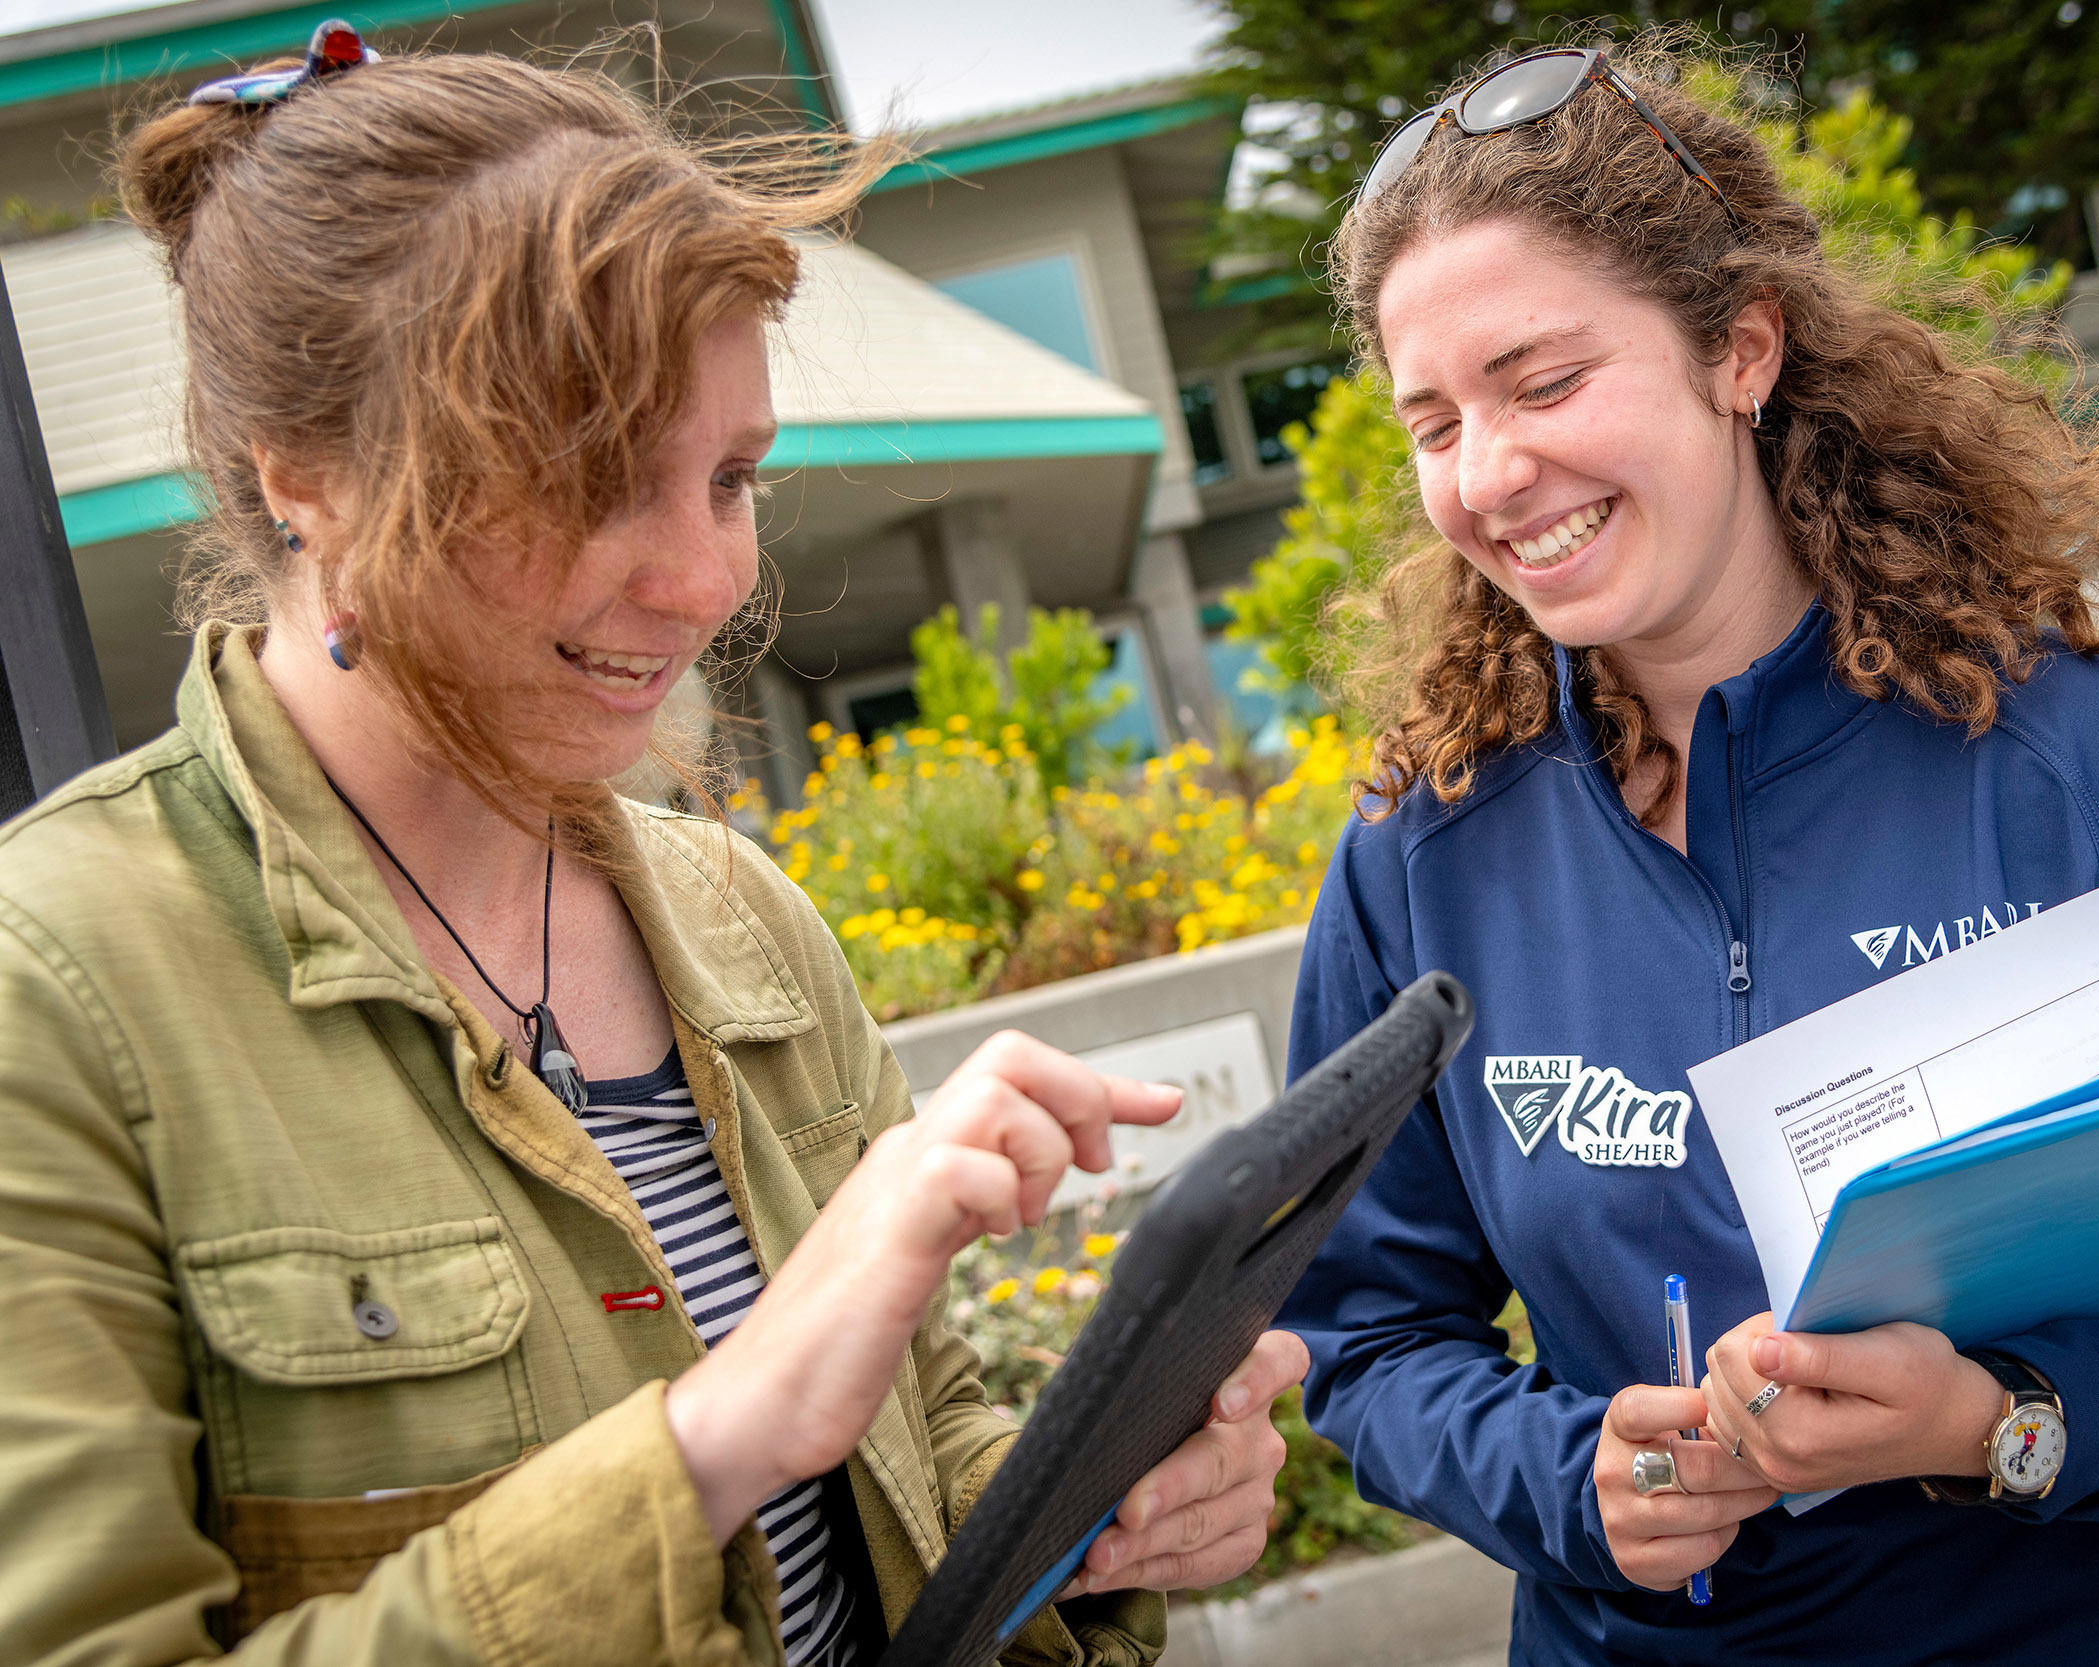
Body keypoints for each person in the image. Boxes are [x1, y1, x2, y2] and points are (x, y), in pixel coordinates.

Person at [0, 30, 1302, 1667]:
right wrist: (712, 1441)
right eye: (592, 479)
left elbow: (917, 1453)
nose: (703, 585)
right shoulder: (54, 996)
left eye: (733, 477)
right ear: (305, 479)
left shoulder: (737, 912)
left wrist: (1096, 1518)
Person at [1276, 33, 2099, 1665]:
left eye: (1547, 382)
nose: (1491, 475)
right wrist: (1579, 1479)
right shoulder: (1424, 854)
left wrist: (2007, 1420)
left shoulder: (2087, 765)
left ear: (1742, 351)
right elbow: (1360, 1335)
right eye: (1433, 423)